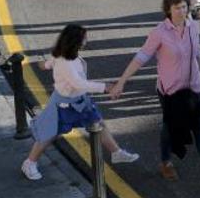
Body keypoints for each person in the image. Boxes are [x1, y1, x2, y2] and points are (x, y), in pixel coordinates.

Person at [110, 0, 200, 188]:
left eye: (185, 6)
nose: (182, 11)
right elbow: (141, 57)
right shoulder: (160, 32)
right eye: (177, 7)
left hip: (194, 87)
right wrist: (121, 81)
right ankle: (165, 162)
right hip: (171, 91)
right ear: (168, 10)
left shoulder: (193, 25)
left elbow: (196, 54)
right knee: (169, 128)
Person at [21, 24, 139, 181]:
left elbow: (50, 63)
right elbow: (78, 83)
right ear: (75, 41)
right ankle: (29, 163)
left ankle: (116, 152)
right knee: (48, 134)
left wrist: (44, 65)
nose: (86, 40)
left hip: (80, 101)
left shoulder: (66, 55)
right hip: (64, 106)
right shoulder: (66, 61)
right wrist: (106, 88)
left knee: (98, 123)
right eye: (84, 38)